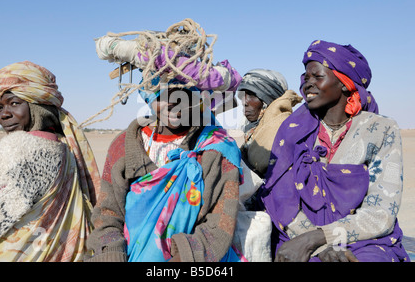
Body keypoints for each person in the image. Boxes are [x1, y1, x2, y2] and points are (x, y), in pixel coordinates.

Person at [257, 40, 409, 262]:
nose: (308, 83)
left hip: (362, 241)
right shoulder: (292, 131)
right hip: (300, 237)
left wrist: (323, 237)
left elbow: (381, 212)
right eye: (305, 78)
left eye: (317, 76)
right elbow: (281, 198)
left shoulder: (381, 130)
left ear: (345, 84)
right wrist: (316, 245)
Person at [85, 51, 245, 262]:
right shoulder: (124, 145)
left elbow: (220, 224)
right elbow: (108, 213)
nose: (174, 104)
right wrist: (112, 254)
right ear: (150, 96)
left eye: (184, 94)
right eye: (163, 94)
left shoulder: (218, 150)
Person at [0, 61, 101, 262]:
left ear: (37, 105)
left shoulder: (21, 149)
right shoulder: (65, 146)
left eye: (14, 103)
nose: (4, 114)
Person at [231, 69, 302, 262]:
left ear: (267, 99)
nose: (244, 102)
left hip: (280, 216)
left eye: (252, 95)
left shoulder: (283, 127)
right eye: (243, 95)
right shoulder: (250, 128)